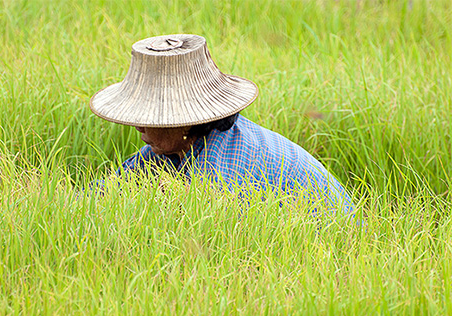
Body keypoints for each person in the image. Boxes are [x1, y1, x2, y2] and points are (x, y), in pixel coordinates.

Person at [89, 34, 354, 214]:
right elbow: (103, 194)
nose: (138, 127)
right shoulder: (172, 148)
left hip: (332, 250)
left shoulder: (222, 166)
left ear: (184, 119)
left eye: (151, 117)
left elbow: (208, 242)